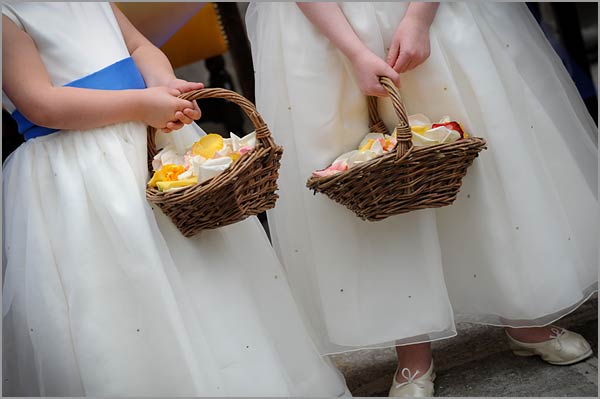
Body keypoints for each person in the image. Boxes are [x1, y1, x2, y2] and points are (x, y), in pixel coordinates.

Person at [246, 2, 598, 397]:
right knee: (374, 184)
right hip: (323, 25)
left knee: (477, 149)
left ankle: (523, 312)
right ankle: (411, 348)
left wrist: (418, 18)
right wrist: (356, 50)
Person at [2, 2, 349, 396]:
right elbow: (40, 103)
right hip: (83, 171)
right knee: (129, 287)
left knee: (208, 272)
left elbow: (139, 47)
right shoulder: (9, 14)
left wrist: (163, 83)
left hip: (150, 139)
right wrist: (140, 104)